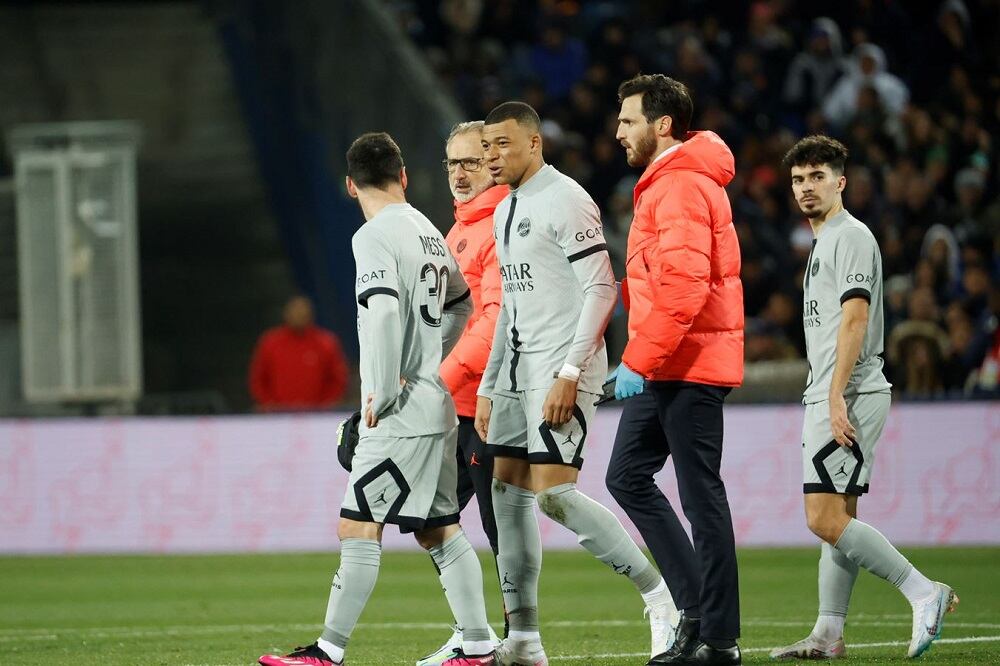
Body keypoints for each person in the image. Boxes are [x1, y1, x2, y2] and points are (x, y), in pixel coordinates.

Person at [259, 132, 496, 666]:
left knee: (358, 525)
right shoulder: (428, 230)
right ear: (403, 176)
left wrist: (386, 388)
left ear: (350, 185)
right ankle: (478, 643)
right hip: (437, 406)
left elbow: (384, 310)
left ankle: (328, 652)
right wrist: (432, 361)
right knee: (437, 527)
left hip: (399, 413)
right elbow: (463, 304)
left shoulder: (373, 235)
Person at [474, 101, 678, 666]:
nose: (493, 156)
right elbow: (511, 305)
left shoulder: (566, 198)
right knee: (506, 493)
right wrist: (490, 383)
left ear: (534, 142)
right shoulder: (504, 208)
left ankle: (660, 598)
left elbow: (602, 289)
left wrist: (569, 371)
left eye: (503, 144)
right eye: (487, 147)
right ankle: (524, 639)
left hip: (562, 367)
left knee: (555, 495)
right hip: (515, 373)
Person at [770, 135, 958, 661]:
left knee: (822, 517)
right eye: (798, 179)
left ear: (841, 182)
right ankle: (829, 633)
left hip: (848, 393)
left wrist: (834, 397)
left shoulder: (850, 236)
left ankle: (924, 591)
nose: (806, 187)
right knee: (839, 518)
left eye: (817, 177)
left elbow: (855, 319)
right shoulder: (825, 240)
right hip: (834, 392)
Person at [606, 74, 744, 666]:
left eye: (628, 120)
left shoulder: (681, 184)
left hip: (688, 364)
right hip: (667, 361)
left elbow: (686, 288)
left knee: (700, 498)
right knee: (627, 476)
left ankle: (720, 640)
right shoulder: (665, 183)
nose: (618, 132)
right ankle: (697, 613)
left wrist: (636, 359)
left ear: (662, 125)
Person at [417, 121, 510, 666]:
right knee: (430, 519)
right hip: (456, 404)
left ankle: (517, 638)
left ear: (492, 164)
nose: (460, 172)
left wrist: (439, 380)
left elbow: (493, 320)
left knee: (505, 531)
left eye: (471, 161)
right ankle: (473, 633)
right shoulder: (456, 232)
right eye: (452, 162)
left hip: (490, 404)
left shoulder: (500, 225)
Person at [248, 295, 349, 411]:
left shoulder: (326, 343)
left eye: (303, 312)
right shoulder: (270, 342)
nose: (299, 315)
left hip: (318, 414)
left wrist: (326, 405)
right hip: (277, 414)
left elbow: (338, 379)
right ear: (286, 314)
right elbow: (258, 378)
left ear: (311, 315)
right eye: (295, 311)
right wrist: (268, 403)